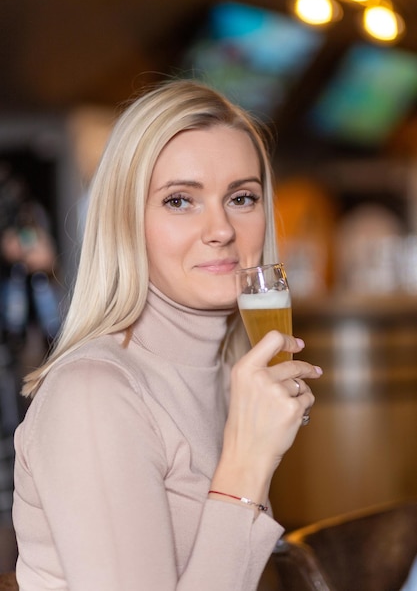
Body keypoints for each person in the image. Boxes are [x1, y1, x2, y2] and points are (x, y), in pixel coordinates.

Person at [12, 79, 320, 591]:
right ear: (125, 220)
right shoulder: (95, 394)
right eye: (181, 201)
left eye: (241, 197)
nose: (221, 228)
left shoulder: (228, 377)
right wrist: (246, 465)